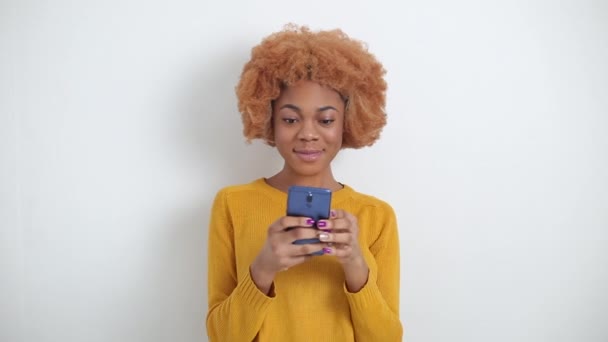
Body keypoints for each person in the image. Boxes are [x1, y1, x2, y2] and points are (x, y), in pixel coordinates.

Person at [206, 24, 402, 341]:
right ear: (268, 118)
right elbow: (221, 336)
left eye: (325, 120)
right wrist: (263, 270)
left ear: (347, 122)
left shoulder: (376, 216)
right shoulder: (232, 204)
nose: (308, 134)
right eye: (290, 118)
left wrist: (355, 265)